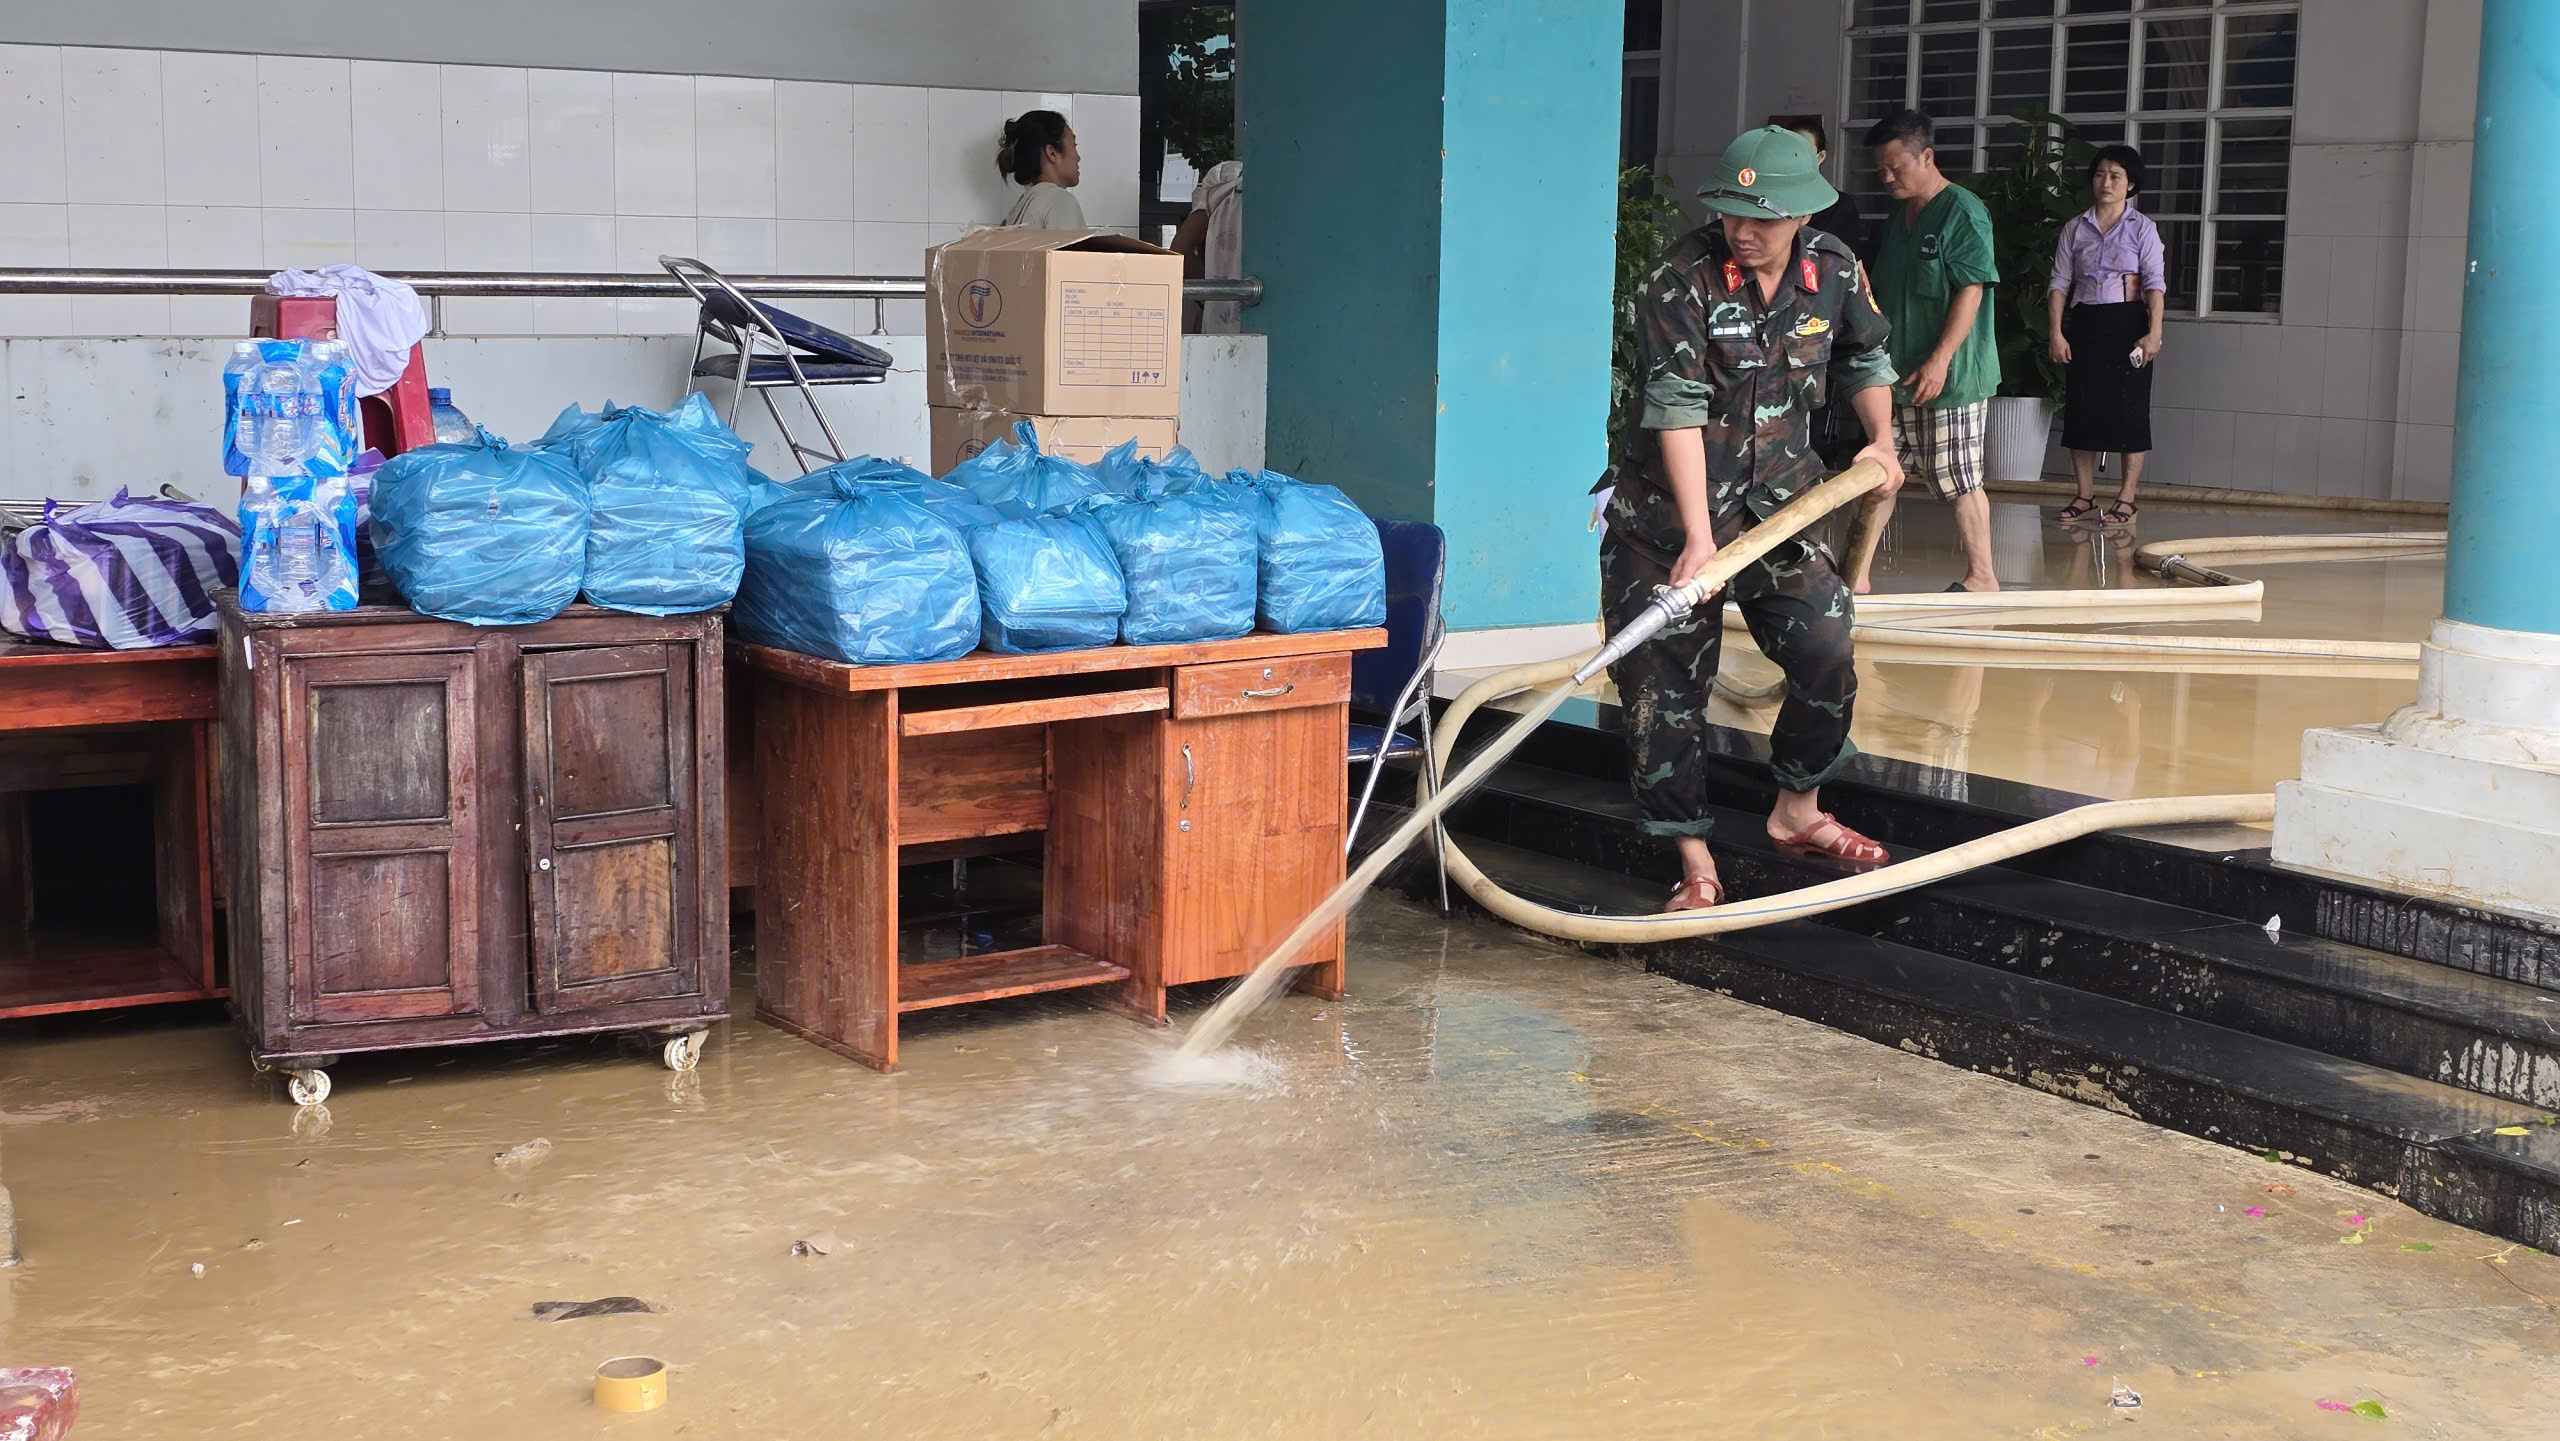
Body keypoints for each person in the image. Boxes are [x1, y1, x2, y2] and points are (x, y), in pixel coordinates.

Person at [1591, 126, 1908, 912]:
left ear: (1802, 213)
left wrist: (1881, 439)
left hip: (1780, 512)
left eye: (1762, 217)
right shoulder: (1682, 278)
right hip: (1666, 524)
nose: (1743, 231)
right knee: (1664, 692)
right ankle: (1693, 859)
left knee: (1828, 643)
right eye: (1733, 213)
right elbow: (1676, 407)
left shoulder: (1832, 270)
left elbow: (1864, 356)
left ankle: (1797, 809)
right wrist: (1700, 538)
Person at [1855, 109, 2002, 594]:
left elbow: (1972, 289)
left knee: (1958, 475)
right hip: (1894, 370)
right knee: (1880, 474)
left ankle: (1983, 577)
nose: (1888, 176)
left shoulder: (1961, 210)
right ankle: (1856, 577)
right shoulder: (1900, 218)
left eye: (1897, 165)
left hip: (1950, 373)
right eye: (1880, 169)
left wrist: (1940, 359)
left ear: (1928, 156)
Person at [2047, 144, 2165, 527]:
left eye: (2116, 176)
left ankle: (2127, 498)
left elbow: (2154, 284)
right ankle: (2084, 495)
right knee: (2082, 409)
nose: (2106, 182)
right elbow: (2060, 283)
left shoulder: (2142, 228)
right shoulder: (2074, 228)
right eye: (2100, 174)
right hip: (2084, 322)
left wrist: (2154, 333)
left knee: (2130, 410)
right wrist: (2056, 332)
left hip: (2128, 322)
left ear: (2131, 184)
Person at [1768, 114, 1870, 471]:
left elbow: (1867, 355)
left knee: (1816, 388)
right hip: (1771, 317)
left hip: (1816, 316)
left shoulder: (1839, 210)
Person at [1173, 159, 1243, 334]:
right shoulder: (1228, 180)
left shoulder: (1227, 180)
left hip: (1222, 325)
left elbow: (1179, 251)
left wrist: (1215, 291)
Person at [997, 110, 1085, 229]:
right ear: (1052, 153)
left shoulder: (1015, 213)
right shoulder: (1059, 201)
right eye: (1074, 145)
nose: (1078, 157)